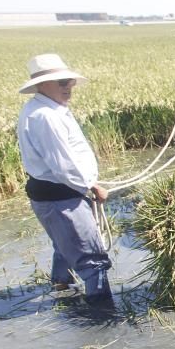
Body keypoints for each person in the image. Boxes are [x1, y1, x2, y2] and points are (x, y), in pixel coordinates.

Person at [16, 54, 113, 306]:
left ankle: (62, 287)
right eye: (61, 82)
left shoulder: (44, 109)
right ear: (42, 85)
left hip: (53, 196)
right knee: (94, 261)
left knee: (64, 243)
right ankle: (104, 319)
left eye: (69, 81)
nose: (68, 87)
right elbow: (63, 165)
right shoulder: (46, 117)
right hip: (63, 196)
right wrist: (91, 186)